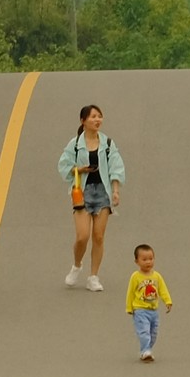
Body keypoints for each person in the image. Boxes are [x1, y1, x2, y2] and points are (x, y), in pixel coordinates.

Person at [57, 104, 125, 291]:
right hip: (82, 192)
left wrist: (116, 190)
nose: (97, 120)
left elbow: (116, 167)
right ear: (83, 121)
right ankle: (76, 265)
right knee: (82, 236)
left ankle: (93, 277)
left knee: (98, 236)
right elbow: (63, 166)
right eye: (93, 117)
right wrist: (80, 169)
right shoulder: (75, 145)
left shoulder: (108, 144)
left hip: (103, 192)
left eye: (99, 116)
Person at [125, 243, 173, 362]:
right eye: (144, 259)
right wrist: (129, 307)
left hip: (154, 310)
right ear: (137, 261)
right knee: (144, 331)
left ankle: (146, 350)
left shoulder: (157, 276)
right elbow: (130, 292)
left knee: (153, 333)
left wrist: (167, 301)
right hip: (140, 310)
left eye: (151, 259)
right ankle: (145, 351)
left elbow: (162, 289)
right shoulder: (135, 277)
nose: (148, 262)